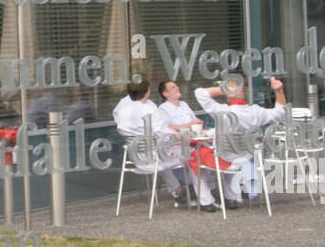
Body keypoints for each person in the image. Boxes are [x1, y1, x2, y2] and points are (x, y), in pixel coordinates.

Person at [194, 77, 288, 206]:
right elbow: (281, 112)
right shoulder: (256, 111)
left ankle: (207, 201)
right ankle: (231, 198)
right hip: (247, 156)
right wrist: (279, 91)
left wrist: (225, 90)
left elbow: (199, 93)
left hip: (225, 157)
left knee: (195, 156)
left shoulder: (221, 111)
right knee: (231, 153)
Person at [114, 81, 191, 205]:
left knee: (158, 152)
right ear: (147, 91)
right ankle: (195, 191)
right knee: (188, 155)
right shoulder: (149, 109)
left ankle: (177, 189)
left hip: (134, 157)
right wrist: (178, 136)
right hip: (152, 158)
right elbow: (161, 131)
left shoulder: (122, 109)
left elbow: (122, 127)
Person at [157, 81, 220, 212]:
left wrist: (198, 124)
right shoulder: (162, 109)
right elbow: (166, 128)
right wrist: (189, 124)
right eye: (173, 88)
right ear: (165, 93)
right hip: (176, 146)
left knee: (209, 154)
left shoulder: (184, 105)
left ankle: (212, 193)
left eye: (176, 86)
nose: (177, 88)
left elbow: (193, 122)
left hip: (193, 142)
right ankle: (206, 200)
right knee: (195, 159)